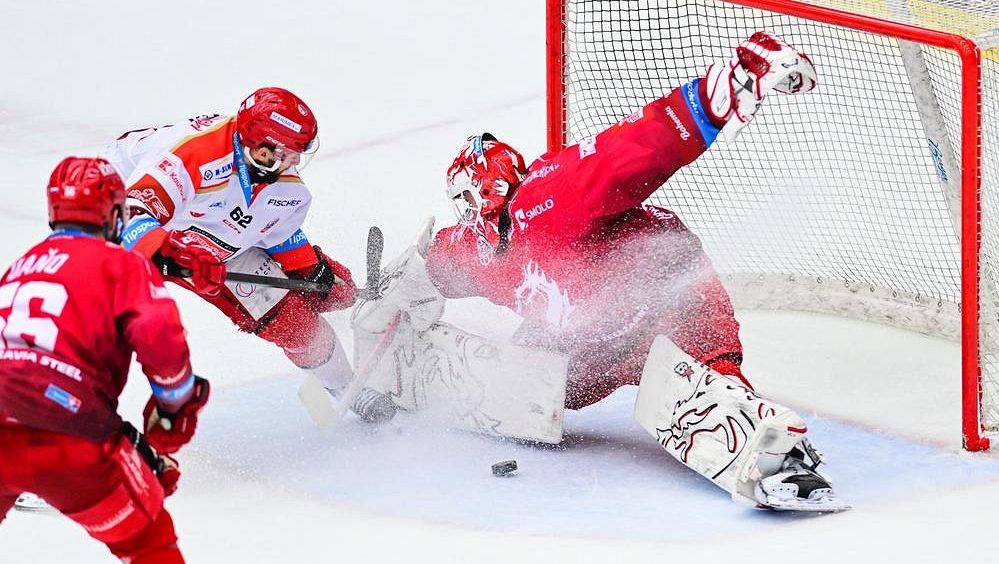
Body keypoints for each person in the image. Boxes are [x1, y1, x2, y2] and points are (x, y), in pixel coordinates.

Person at [422, 33, 846, 511]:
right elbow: (438, 263)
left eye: (467, 197)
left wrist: (720, 91)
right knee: (523, 387)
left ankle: (779, 459)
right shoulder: (477, 251)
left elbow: (633, 149)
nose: (465, 212)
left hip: (668, 299)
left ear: (486, 188)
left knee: (709, 391)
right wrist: (391, 289)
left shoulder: (549, 197)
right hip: (590, 337)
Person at [102, 87, 392, 422]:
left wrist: (314, 273)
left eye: (297, 155)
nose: (293, 163)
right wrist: (166, 254)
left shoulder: (286, 186)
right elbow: (124, 213)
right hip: (139, 226)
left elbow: (277, 233)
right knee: (291, 323)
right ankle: (345, 386)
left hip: (209, 236)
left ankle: (347, 368)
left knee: (313, 306)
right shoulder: (194, 157)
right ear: (260, 146)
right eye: (285, 153)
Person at [0, 157, 210, 562]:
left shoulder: (18, 268)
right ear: (114, 214)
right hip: (70, 437)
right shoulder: (122, 264)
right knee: (149, 542)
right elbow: (160, 339)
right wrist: (174, 409)